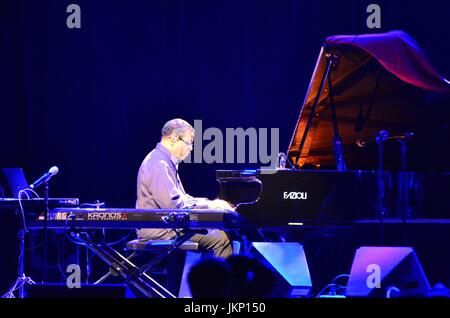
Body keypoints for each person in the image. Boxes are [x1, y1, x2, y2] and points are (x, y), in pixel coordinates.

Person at [135, 118, 233, 258]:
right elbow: (174, 206)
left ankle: (200, 278)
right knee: (221, 239)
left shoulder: (165, 162)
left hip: (168, 226)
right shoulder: (159, 163)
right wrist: (213, 206)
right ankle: (213, 279)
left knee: (218, 232)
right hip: (160, 230)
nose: (191, 148)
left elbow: (183, 199)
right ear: (174, 139)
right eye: (189, 142)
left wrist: (212, 204)